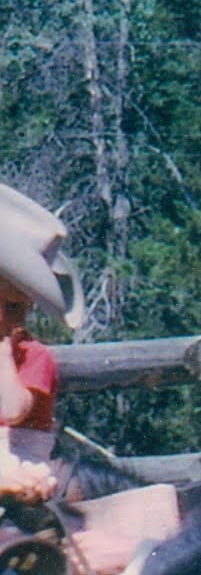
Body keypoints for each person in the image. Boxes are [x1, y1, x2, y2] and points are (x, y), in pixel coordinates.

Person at [0, 183, 75, 502]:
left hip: (19, 466)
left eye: (13, 307)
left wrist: (4, 351)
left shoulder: (34, 356)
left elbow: (12, 410)